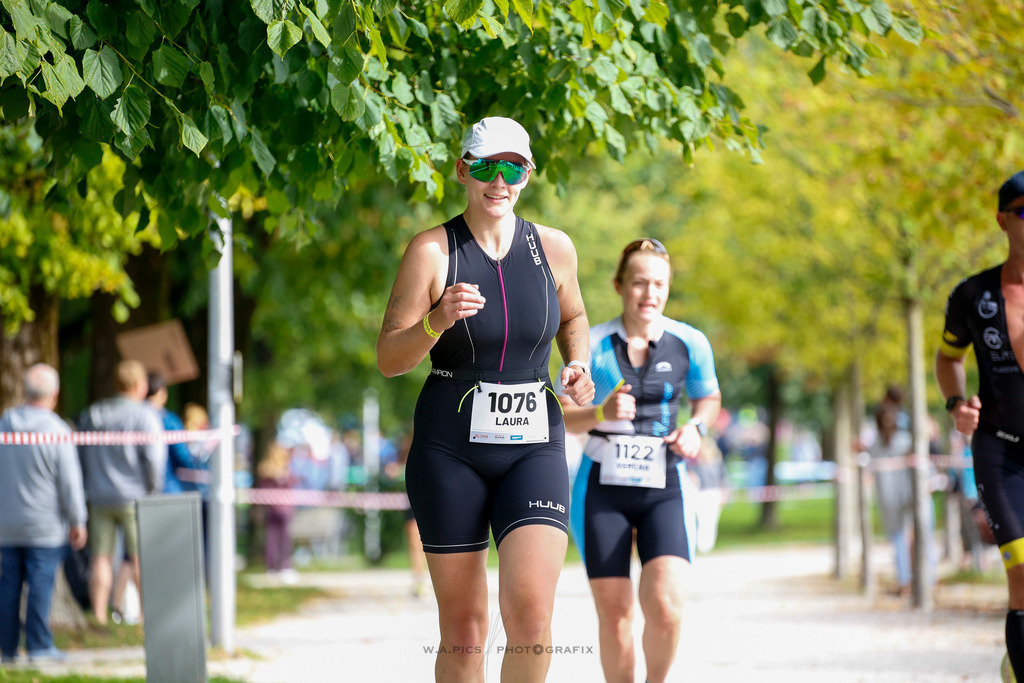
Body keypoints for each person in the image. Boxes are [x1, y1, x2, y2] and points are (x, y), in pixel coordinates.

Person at [376, 115, 594, 681]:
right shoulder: (430, 251)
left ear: (528, 175)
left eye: (512, 168)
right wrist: (436, 320)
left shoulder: (555, 247)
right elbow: (389, 358)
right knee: (467, 629)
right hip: (450, 451)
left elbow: (573, 315)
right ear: (461, 170)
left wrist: (577, 362)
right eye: (484, 167)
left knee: (531, 616)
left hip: (533, 446)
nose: (498, 181)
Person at [560, 238, 721, 683]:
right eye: (639, 283)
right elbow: (562, 416)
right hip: (601, 487)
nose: (649, 293)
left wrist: (696, 428)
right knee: (615, 617)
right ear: (619, 285)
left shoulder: (690, 342)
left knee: (667, 608)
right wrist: (601, 413)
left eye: (659, 284)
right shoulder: (590, 344)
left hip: (666, 485)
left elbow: (708, 398)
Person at [935, 169, 1024, 680]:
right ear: (1002, 221)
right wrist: (954, 403)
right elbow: (948, 360)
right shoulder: (973, 295)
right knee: (1022, 572)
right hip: (1001, 451)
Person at [0, 364, 88, 663]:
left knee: (8, 586)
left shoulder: (5, 424)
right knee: (40, 586)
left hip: (7, 524)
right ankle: (38, 646)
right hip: (45, 526)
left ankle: (6, 648)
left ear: (25, 392)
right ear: (55, 395)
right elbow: (70, 482)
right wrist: (77, 520)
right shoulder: (57, 431)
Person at [77, 360, 165, 626]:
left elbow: (81, 454)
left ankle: (100, 616)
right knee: (140, 556)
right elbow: (154, 459)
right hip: (135, 497)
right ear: (140, 386)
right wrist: (152, 491)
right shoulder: (145, 416)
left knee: (100, 559)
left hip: (100, 496)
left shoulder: (93, 414)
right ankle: (144, 616)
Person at [869, 403, 915, 597]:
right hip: (904, 496)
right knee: (907, 540)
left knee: (899, 541)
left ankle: (905, 580)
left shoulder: (877, 444)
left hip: (892, 499)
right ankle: (910, 580)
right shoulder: (904, 440)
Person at [258, 441, 298, 583]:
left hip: (273, 509)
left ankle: (274, 567)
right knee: (281, 539)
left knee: (273, 538)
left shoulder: (266, 469)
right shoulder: (276, 470)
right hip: (282, 509)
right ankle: (283, 567)